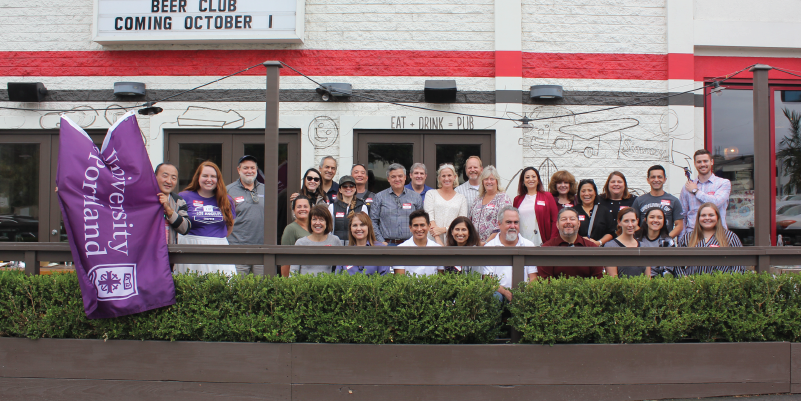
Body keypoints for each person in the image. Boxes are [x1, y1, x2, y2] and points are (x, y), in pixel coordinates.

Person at [174, 161, 236, 276]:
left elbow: (229, 227)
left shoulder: (226, 200)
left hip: (219, 248)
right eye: (205, 176)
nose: (209, 179)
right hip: (190, 247)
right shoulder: (184, 196)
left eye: (213, 176)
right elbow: (177, 223)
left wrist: (213, 239)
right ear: (198, 177)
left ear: (218, 179)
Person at [675, 203, 746, 276]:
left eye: (711, 215)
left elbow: (739, 264)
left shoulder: (730, 237)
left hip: (721, 284)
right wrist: (686, 280)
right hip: (692, 284)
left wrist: (729, 281)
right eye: (703, 215)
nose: (707, 218)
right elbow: (678, 264)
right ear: (698, 218)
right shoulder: (688, 237)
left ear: (717, 217)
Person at [483, 206, 538, 301]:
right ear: (499, 224)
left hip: (523, 296)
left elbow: (533, 278)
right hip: (499, 295)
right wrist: (506, 293)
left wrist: (523, 295)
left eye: (516, 222)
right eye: (508, 222)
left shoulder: (528, 245)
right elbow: (488, 280)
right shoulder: (489, 247)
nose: (513, 226)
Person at [538, 207, 604, 279]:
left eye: (572, 219)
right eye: (564, 219)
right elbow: (545, 281)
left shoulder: (591, 247)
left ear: (579, 223)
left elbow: (598, 279)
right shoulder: (546, 248)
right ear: (557, 224)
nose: (568, 222)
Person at [227, 155, 265, 276]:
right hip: (237, 250)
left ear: (257, 169)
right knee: (238, 290)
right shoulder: (228, 190)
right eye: (245, 168)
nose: (249, 171)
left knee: (262, 289)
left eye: (252, 168)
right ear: (239, 170)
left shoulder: (266, 189)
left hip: (262, 249)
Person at [680, 149, 732, 236]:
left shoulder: (723, 183)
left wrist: (695, 191)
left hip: (717, 233)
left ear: (712, 162)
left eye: (705, 161)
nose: (702, 164)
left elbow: (716, 203)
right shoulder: (687, 187)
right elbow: (683, 215)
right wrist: (682, 239)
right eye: (699, 162)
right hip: (693, 234)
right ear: (695, 164)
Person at [370, 163, 423, 245]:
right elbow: (372, 221)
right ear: (388, 179)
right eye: (393, 177)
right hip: (387, 244)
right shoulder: (379, 197)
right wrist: (381, 241)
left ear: (405, 177)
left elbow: (421, 221)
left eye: (400, 176)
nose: (397, 179)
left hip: (410, 244)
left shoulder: (416, 197)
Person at [631, 165, 684, 238]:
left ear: (665, 179)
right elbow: (633, 222)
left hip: (665, 246)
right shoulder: (639, 200)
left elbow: (679, 225)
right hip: (644, 245)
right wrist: (643, 238)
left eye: (659, 177)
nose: (656, 180)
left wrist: (666, 239)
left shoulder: (674, 200)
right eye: (653, 177)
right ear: (648, 180)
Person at [290, 205, 342, 275]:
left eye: (321, 220)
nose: (317, 223)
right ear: (310, 222)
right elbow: (293, 272)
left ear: (327, 222)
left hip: (327, 284)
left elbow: (342, 268)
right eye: (314, 219)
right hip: (305, 284)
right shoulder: (300, 243)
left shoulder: (335, 240)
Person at [424, 163, 468, 245]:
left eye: (449, 175)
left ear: (454, 177)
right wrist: (437, 239)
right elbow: (429, 217)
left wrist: (444, 229)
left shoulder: (461, 198)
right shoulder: (431, 194)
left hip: (453, 241)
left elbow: (462, 221)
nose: (446, 178)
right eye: (443, 176)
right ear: (439, 178)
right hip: (432, 241)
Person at [513, 167, 558, 245]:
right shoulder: (517, 199)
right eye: (527, 177)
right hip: (522, 241)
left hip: (543, 242)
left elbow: (555, 220)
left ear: (538, 180)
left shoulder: (547, 196)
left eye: (533, 176)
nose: (531, 179)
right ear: (523, 181)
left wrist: (552, 241)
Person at [603, 207, 650, 278]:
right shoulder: (610, 246)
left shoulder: (644, 246)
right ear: (619, 222)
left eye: (633, 221)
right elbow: (613, 279)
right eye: (626, 221)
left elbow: (648, 278)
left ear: (637, 221)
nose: (630, 225)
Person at [470, 165, 512, 243]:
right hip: (476, 244)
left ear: (497, 181)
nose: (489, 182)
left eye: (492, 179)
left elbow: (503, 224)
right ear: (482, 181)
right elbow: (470, 220)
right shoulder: (477, 199)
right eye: (486, 179)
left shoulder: (503, 198)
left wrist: (486, 243)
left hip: (494, 244)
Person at [394, 210, 443, 275]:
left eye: (422, 225)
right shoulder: (400, 249)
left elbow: (441, 277)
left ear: (429, 226)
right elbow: (400, 280)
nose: (419, 229)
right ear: (410, 227)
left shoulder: (438, 249)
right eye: (415, 225)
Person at [597, 171, 637, 246]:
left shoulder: (634, 200)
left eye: (619, 182)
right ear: (608, 184)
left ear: (624, 184)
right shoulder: (599, 201)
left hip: (627, 244)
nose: (616, 184)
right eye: (613, 182)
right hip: (603, 243)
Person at [154, 163, 190, 245]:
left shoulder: (178, 201)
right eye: (165, 176)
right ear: (154, 177)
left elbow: (185, 229)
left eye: (173, 178)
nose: (169, 181)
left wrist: (170, 211)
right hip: (147, 251)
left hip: (169, 252)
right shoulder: (144, 199)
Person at [636, 207, 676, 277]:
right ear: (645, 220)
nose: (655, 220)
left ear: (664, 221)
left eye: (659, 218)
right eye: (652, 217)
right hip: (638, 280)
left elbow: (669, 269)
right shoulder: (636, 239)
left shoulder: (668, 242)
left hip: (659, 281)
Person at [328, 175, 368, 245]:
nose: (348, 188)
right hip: (336, 245)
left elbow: (366, 228)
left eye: (351, 186)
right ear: (340, 190)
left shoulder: (362, 207)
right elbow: (328, 230)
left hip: (355, 245)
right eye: (345, 186)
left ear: (355, 189)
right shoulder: (332, 207)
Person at [280, 196, 311, 277]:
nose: (302, 209)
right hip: (298, 276)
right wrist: (286, 283)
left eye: (305, 206)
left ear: (311, 209)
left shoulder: (316, 227)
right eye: (299, 207)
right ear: (293, 210)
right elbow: (285, 259)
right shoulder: (290, 229)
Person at [575, 179, 607, 245]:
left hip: (599, 250)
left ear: (595, 193)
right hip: (578, 249)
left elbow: (611, 232)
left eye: (590, 190)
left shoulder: (604, 210)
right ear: (579, 194)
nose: (586, 194)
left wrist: (599, 242)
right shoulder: (573, 211)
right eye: (583, 191)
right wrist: (581, 240)